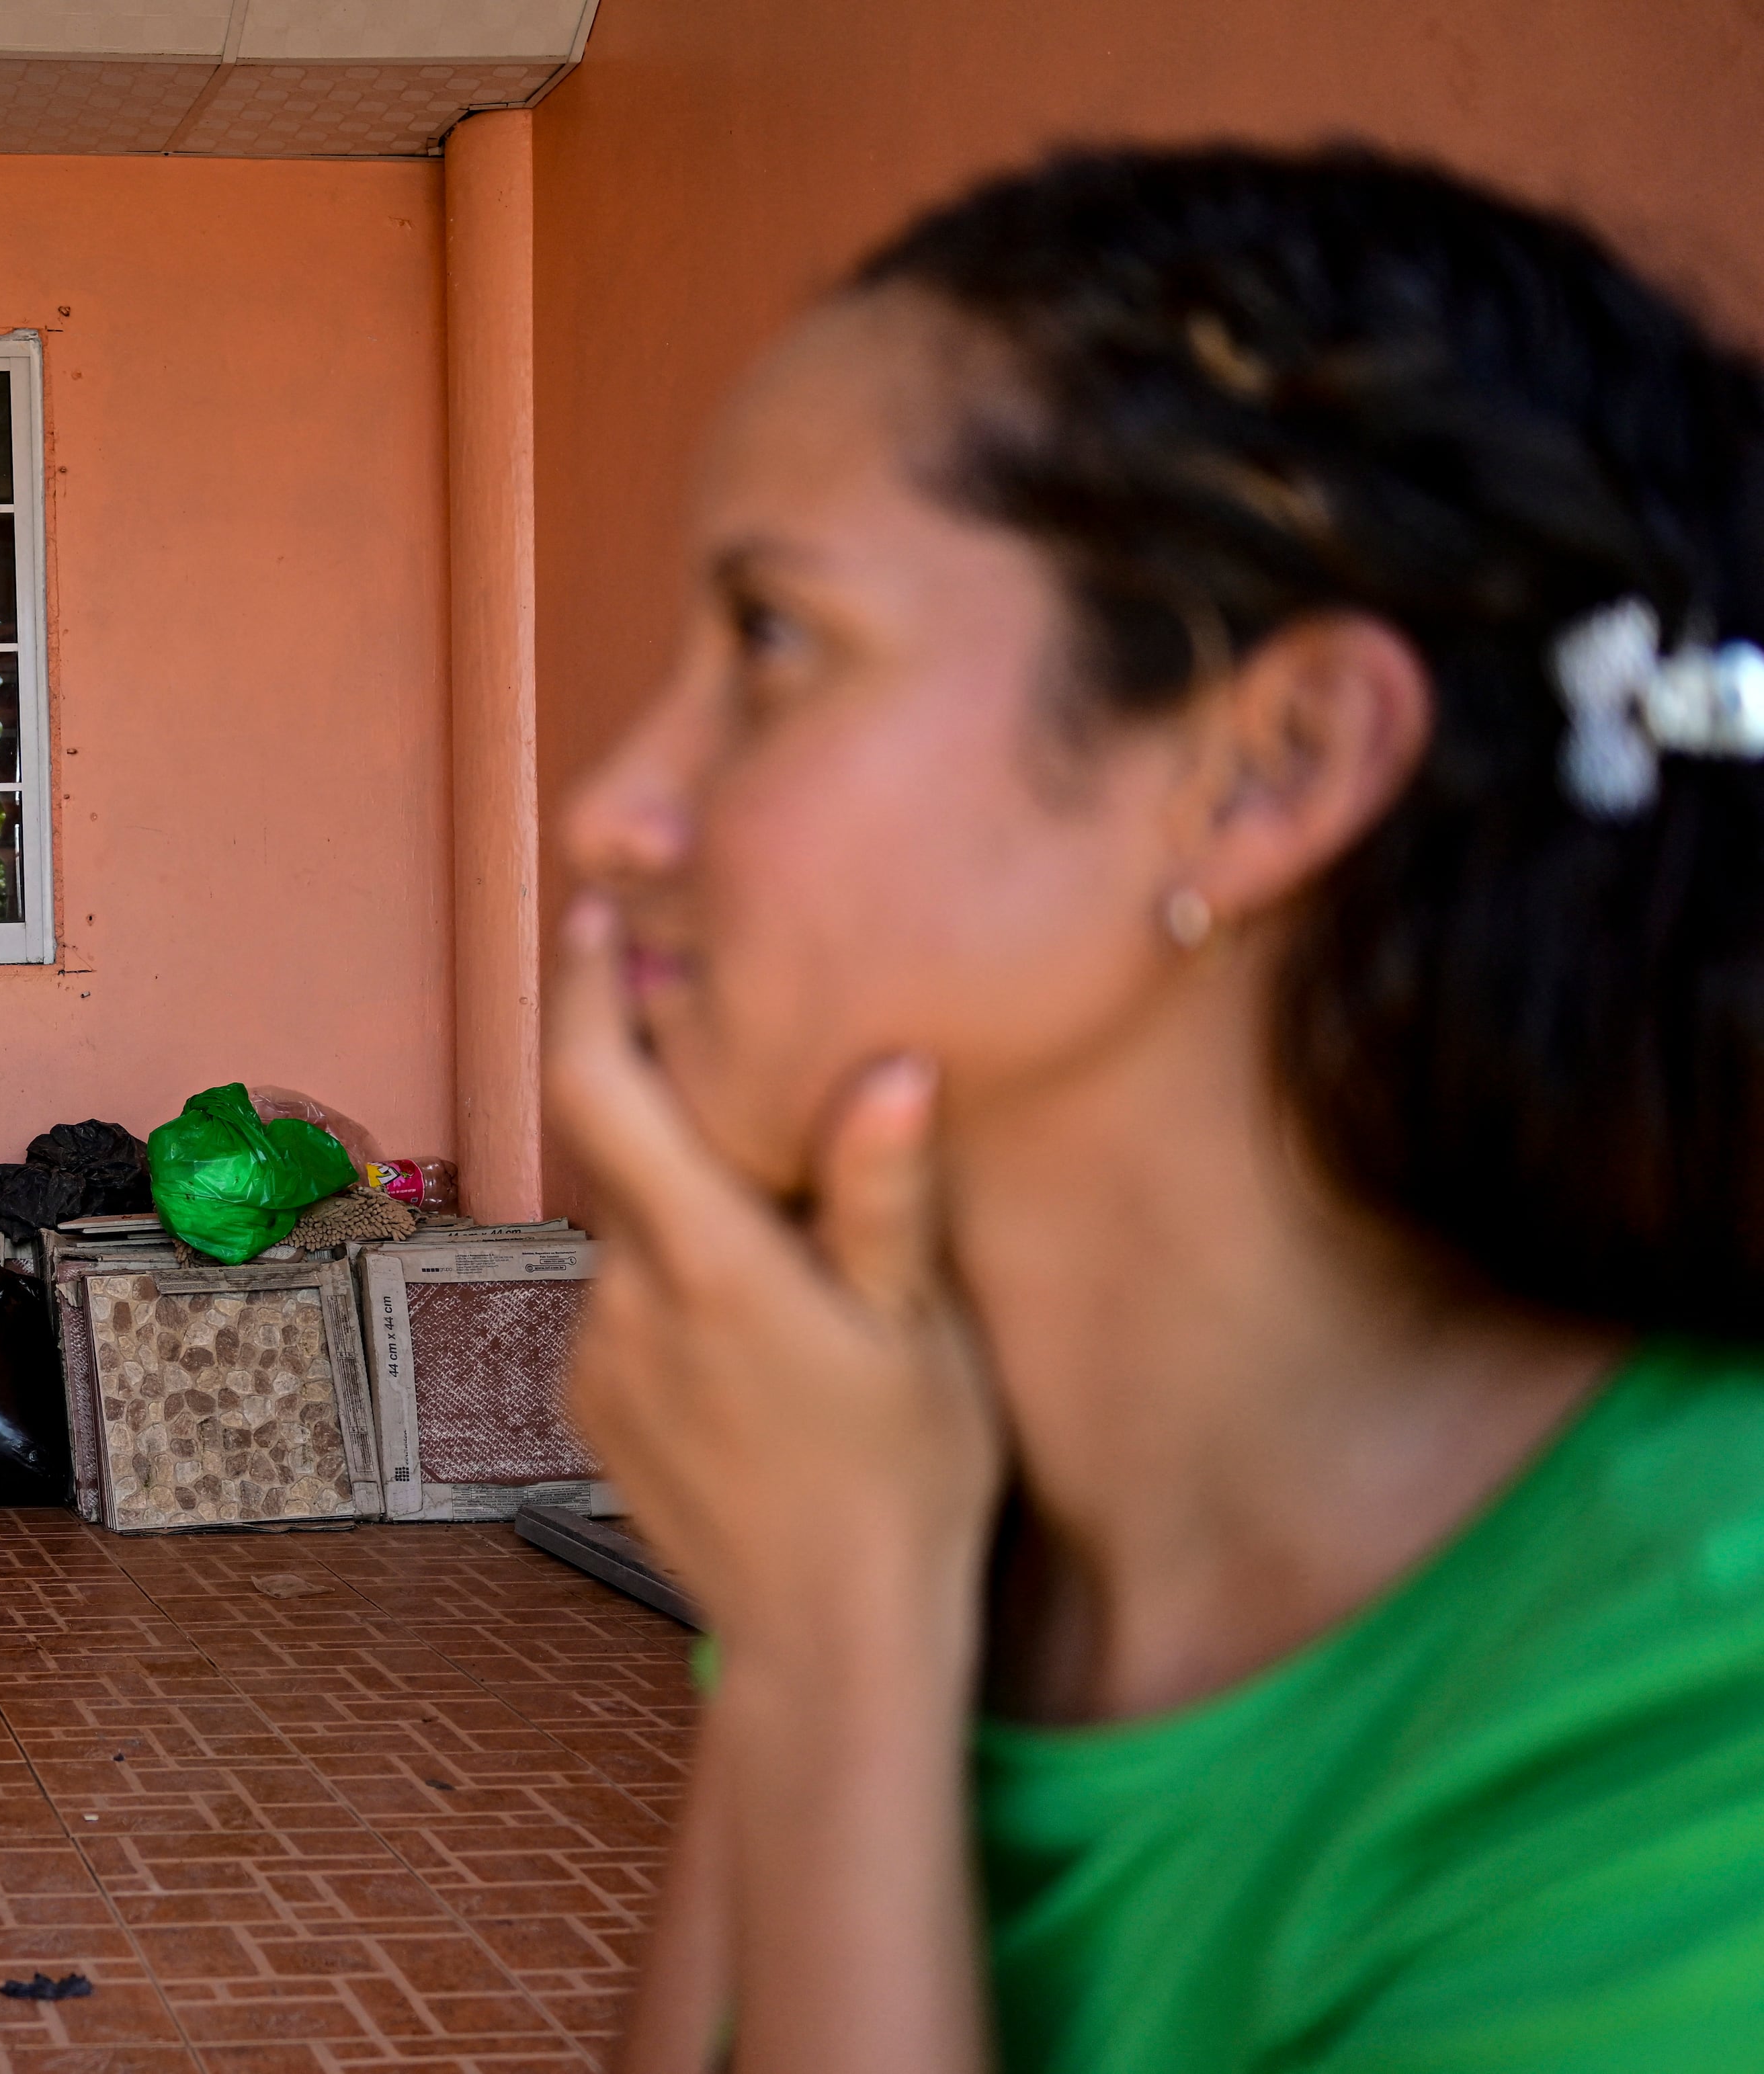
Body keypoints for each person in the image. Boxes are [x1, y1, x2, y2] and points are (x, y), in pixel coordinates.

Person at [550, 144, 1764, 2073]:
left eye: (772, 643)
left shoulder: (1705, 1718)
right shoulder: (892, 1449)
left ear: (1269, 762)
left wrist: (836, 1660)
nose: (611, 807)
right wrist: (814, 1621)